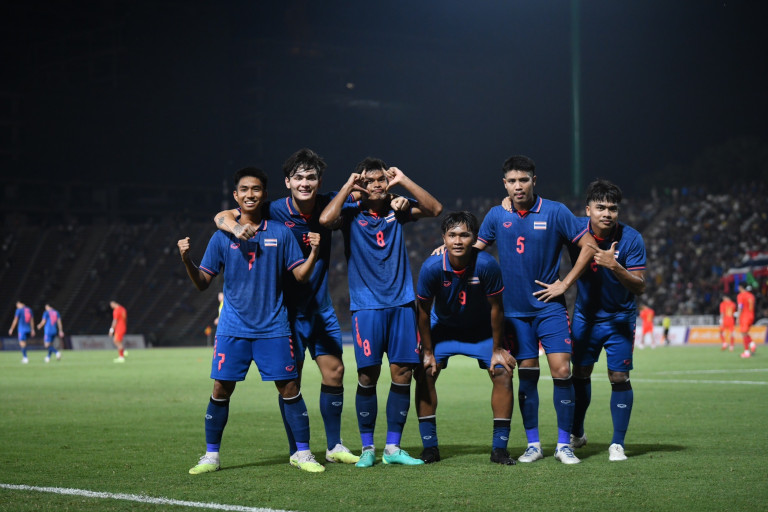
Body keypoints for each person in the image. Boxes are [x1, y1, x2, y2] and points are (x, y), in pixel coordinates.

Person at [212, 148, 360, 465]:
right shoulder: (273, 210)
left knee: (335, 372)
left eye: (311, 177)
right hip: (285, 312)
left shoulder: (331, 203)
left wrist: (392, 196)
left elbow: (368, 197)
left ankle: (334, 446)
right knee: (291, 382)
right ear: (288, 182)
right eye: (299, 177)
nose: (305, 183)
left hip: (320, 307)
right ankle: (297, 450)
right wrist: (235, 228)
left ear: (320, 181)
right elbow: (222, 216)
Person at [178, 166, 325, 474]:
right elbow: (202, 282)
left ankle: (303, 453)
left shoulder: (280, 233)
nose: (250, 194)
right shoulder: (221, 237)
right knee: (221, 389)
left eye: (256, 189)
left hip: (273, 328)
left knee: (290, 388)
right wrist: (187, 260)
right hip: (233, 328)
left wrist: (313, 253)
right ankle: (211, 456)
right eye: (244, 189)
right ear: (236, 196)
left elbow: (300, 275)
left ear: (264, 194)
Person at [319, 157, 442, 468]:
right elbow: (324, 220)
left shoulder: (398, 209)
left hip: (402, 305)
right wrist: (348, 186)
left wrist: (403, 180)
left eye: (381, 179)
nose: (376, 184)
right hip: (366, 307)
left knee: (402, 375)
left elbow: (435, 209)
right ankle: (367, 448)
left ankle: (392, 448)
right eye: (369, 180)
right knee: (367, 375)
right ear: (360, 183)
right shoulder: (351, 211)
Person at [486, 154, 596, 464]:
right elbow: (473, 252)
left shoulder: (555, 211)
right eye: (512, 181)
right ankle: (533, 444)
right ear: (504, 184)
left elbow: (589, 246)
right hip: (514, 313)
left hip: (549, 309)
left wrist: (565, 283)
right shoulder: (496, 215)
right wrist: (446, 248)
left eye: (524, 180)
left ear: (534, 180)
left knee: (562, 370)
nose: (518, 186)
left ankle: (563, 444)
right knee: (527, 375)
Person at [414, 211, 517, 465]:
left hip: (480, 330)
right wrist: (427, 352)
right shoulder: (431, 267)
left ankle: (499, 449)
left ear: (474, 238)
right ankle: (430, 448)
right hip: (444, 329)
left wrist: (497, 349)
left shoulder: (487, 265)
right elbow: (423, 312)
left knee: (502, 372)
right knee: (425, 372)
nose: (458, 241)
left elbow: (497, 308)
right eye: (452, 235)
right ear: (443, 238)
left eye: (464, 235)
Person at [568, 180, 646, 462]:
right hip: (585, 317)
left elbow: (639, 286)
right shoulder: (574, 229)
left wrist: (615, 265)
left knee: (619, 376)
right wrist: (510, 204)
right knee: (580, 372)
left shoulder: (631, 239)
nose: (607, 213)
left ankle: (618, 444)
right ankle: (577, 432)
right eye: (600, 207)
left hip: (619, 319)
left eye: (613, 208)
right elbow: (544, 219)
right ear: (587, 209)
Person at [736, 283, 756, 358]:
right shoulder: (751, 295)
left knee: (743, 333)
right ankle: (752, 344)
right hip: (751, 316)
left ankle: (746, 352)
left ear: (741, 287)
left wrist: (738, 317)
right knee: (745, 332)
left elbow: (740, 307)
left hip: (745, 316)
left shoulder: (740, 295)